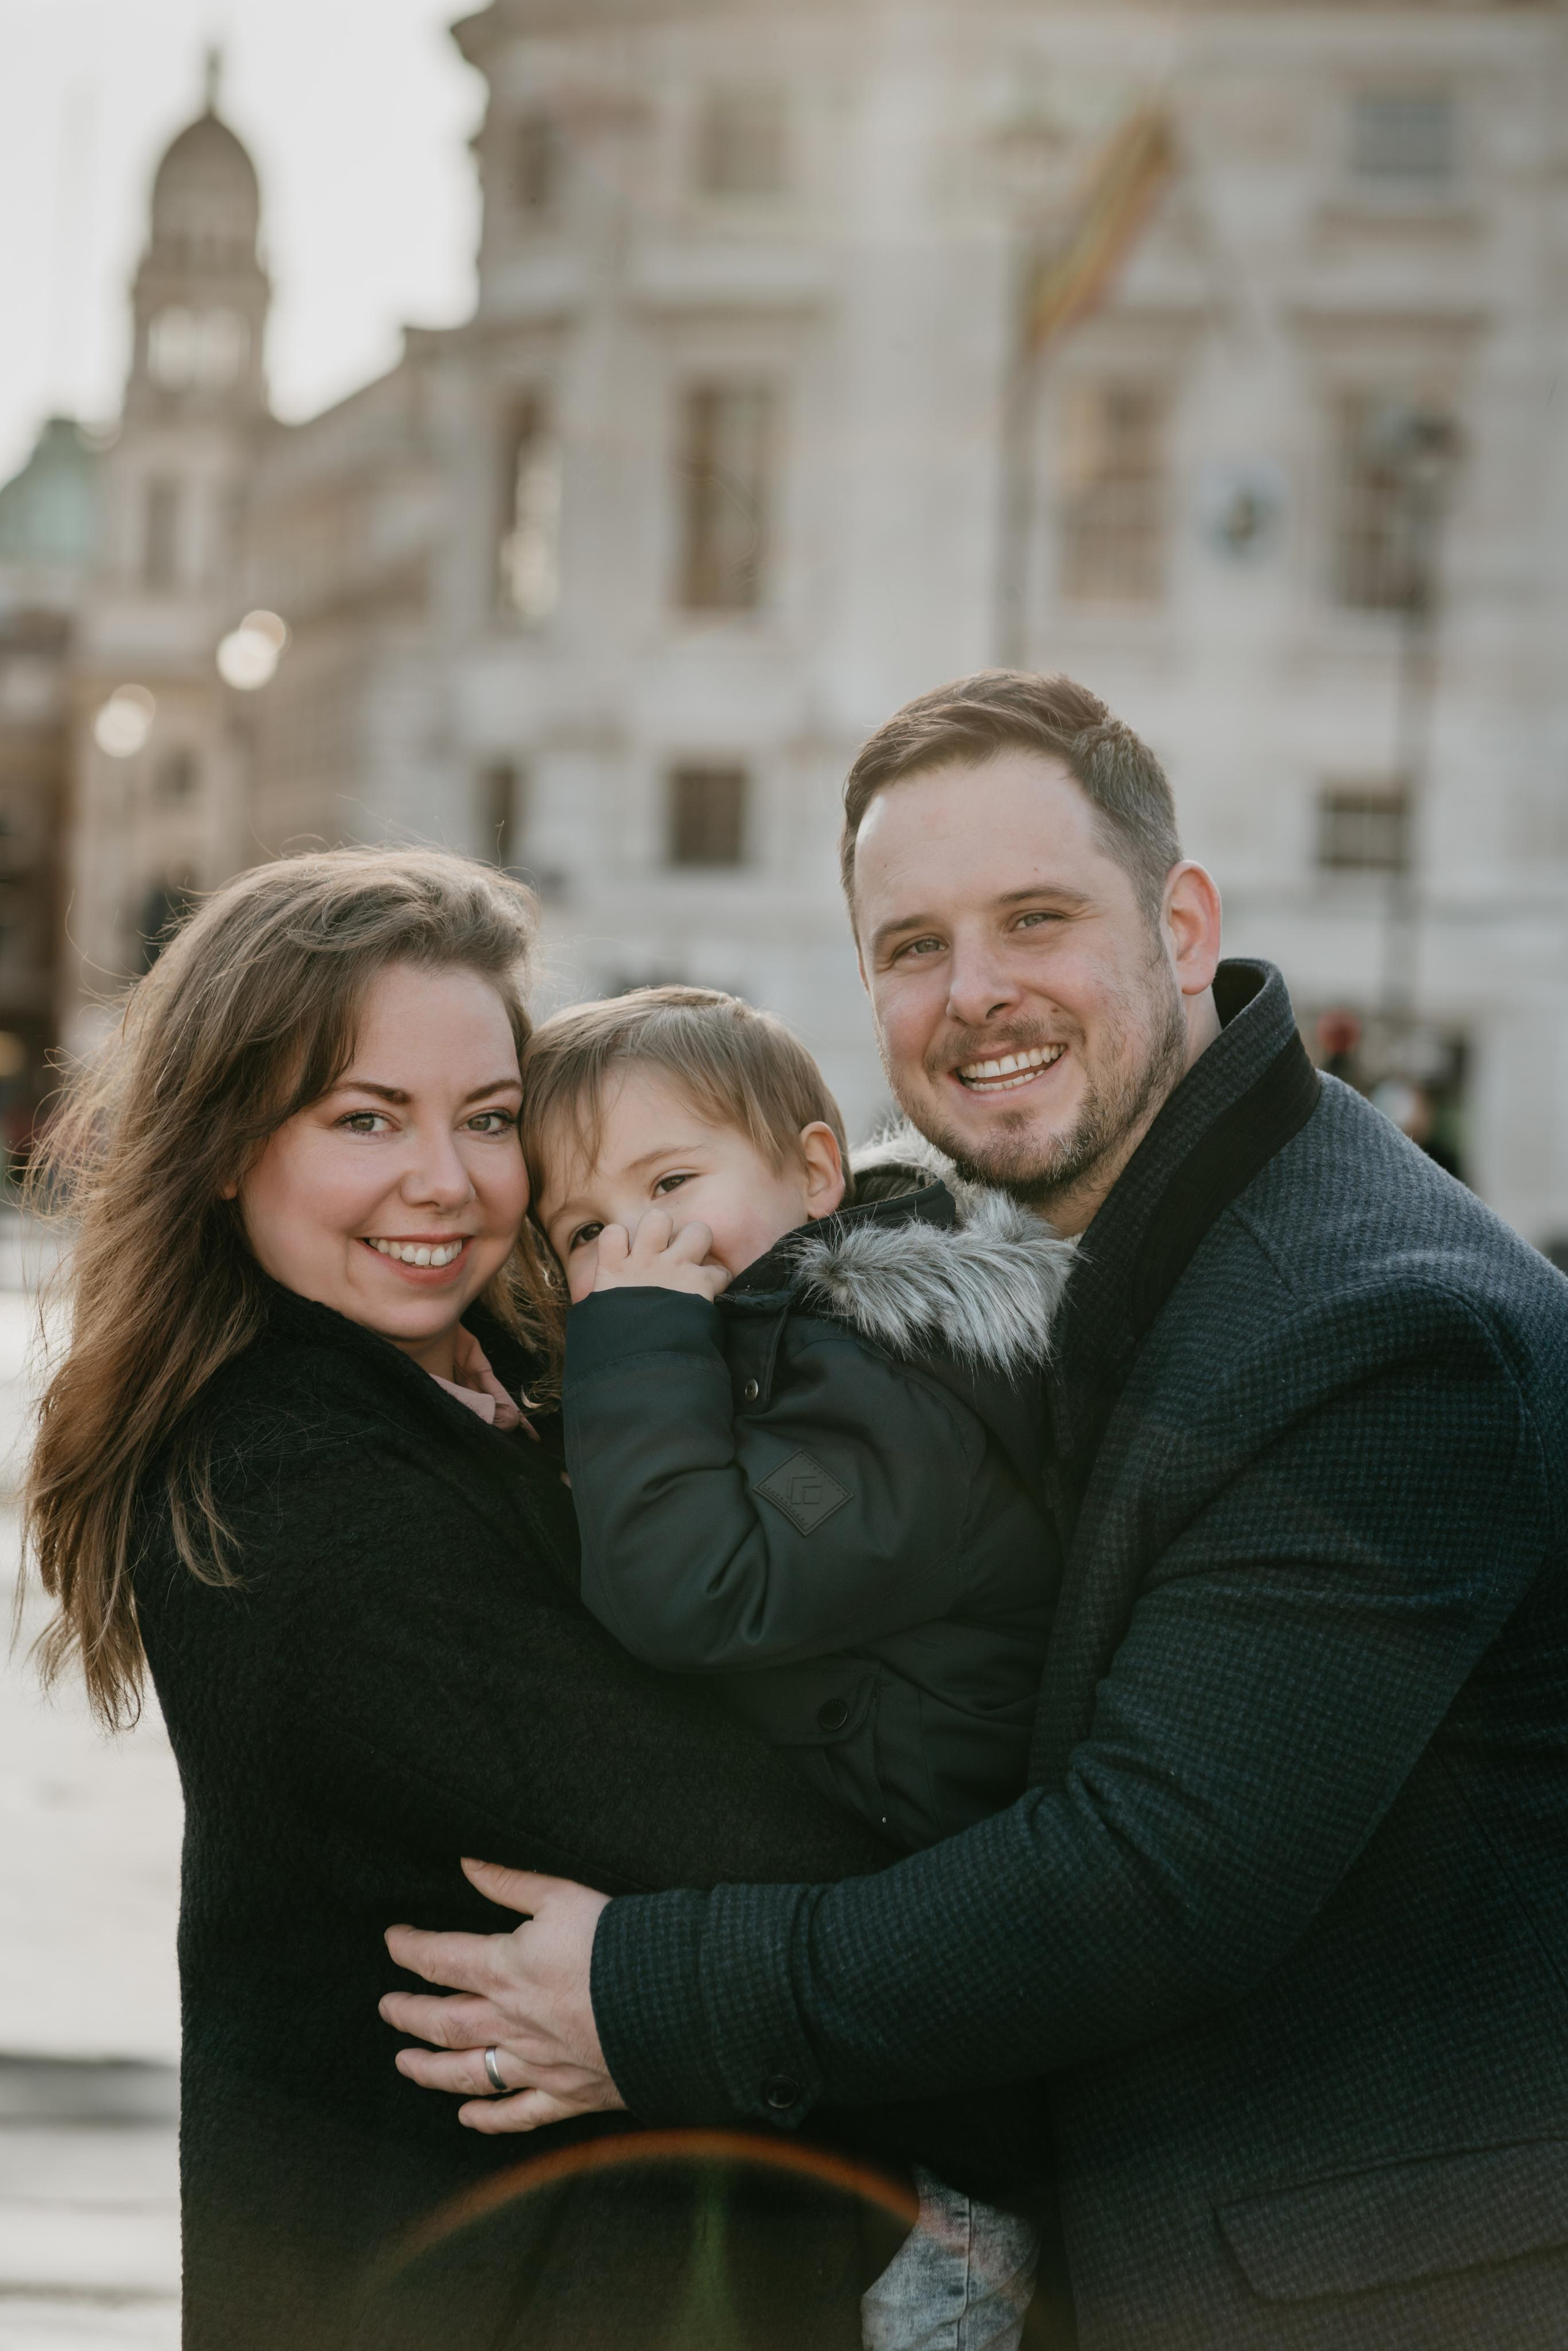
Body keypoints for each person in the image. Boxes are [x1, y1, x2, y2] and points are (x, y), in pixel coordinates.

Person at [385, 673, 1568, 2350]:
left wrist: (650, 1991)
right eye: (912, 943)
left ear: (1181, 924)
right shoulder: (1039, 1258)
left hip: (1341, 2293)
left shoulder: (1377, 1325)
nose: (976, 992)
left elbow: (1155, 1871)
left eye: (1036, 917)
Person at [24, 847, 1009, 2351]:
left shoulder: (536, 1370)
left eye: (489, 1118)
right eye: (365, 1117)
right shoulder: (287, 1482)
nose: (448, 1179)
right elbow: (749, 1838)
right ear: (227, 1144)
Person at [521, 984, 1076, 2347]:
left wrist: (630, 1339)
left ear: (816, 1171)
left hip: (950, 2013)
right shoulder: (770, 1344)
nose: (635, 1240)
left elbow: (700, 1588)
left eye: (671, 1180)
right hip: (875, 1994)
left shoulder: (886, 1371)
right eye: (584, 1227)